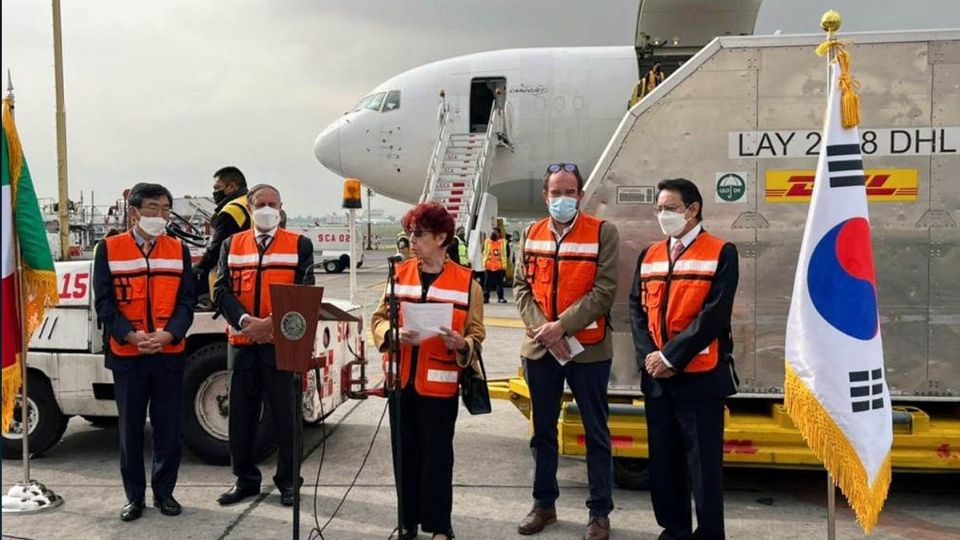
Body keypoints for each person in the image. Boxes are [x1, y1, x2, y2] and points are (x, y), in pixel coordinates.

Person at [629, 178, 739, 540]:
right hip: (657, 379)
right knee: (665, 464)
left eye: (670, 208)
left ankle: (709, 534)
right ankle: (673, 530)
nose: (663, 215)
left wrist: (672, 357)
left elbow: (714, 315)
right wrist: (650, 356)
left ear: (693, 209)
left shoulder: (721, 252)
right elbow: (636, 308)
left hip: (699, 378)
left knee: (704, 465)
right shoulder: (650, 255)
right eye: (659, 208)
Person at [514, 162, 619, 540]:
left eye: (569, 191)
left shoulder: (602, 233)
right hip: (542, 349)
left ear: (580, 195)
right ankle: (544, 504)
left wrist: (563, 326)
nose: (562, 198)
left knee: (596, 432)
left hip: (588, 348)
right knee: (542, 432)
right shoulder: (530, 233)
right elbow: (521, 287)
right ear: (545, 196)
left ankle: (599, 511)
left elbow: (604, 291)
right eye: (556, 192)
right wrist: (546, 330)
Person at [371, 202, 485, 540]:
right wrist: (390, 335)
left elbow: (476, 334)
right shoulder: (399, 274)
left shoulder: (467, 284)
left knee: (437, 458)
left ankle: (439, 527)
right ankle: (407, 522)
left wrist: (460, 343)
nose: (411, 240)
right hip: (400, 381)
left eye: (418, 234)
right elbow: (377, 320)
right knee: (404, 456)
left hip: (439, 385)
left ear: (440, 237)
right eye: (409, 233)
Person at [92, 182, 196, 522]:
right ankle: (134, 497)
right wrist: (132, 336)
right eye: (153, 208)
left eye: (166, 209)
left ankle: (164, 493)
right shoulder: (108, 250)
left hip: (168, 353)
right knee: (131, 430)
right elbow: (105, 304)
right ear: (135, 212)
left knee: (167, 429)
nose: (161, 215)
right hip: (128, 355)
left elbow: (186, 302)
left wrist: (169, 334)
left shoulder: (178, 250)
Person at [213, 183, 315, 507]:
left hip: (280, 344)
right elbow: (221, 290)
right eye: (260, 204)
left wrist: (269, 324)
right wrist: (246, 322)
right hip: (241, 342)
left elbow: (304, 290)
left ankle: (288, 481)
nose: (267, 209)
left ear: (282, 207)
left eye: (273, 203)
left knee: (287, 419)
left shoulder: (300, 244)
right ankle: (245, 480)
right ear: (250, 207)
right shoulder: (232, 243)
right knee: (240, 418)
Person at [194, 166, 250, 300]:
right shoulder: (249, 202)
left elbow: (217, 249)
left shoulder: (231, 211)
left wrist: (198, 268)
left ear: (231, 187)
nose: (214, 192)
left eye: (216, 188)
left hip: (230, 274)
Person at [482, 227, 508, 303]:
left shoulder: (503, 243)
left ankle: (500, 298)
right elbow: (483, 251)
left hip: (499, 267)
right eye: (492, 232)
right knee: (487, 284)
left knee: (499, 284)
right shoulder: (487, 241)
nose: (493, 233)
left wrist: (504, 265)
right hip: (489, 266)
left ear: (499, 234)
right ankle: (486, 298)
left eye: (495, 232)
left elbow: (506, 254)